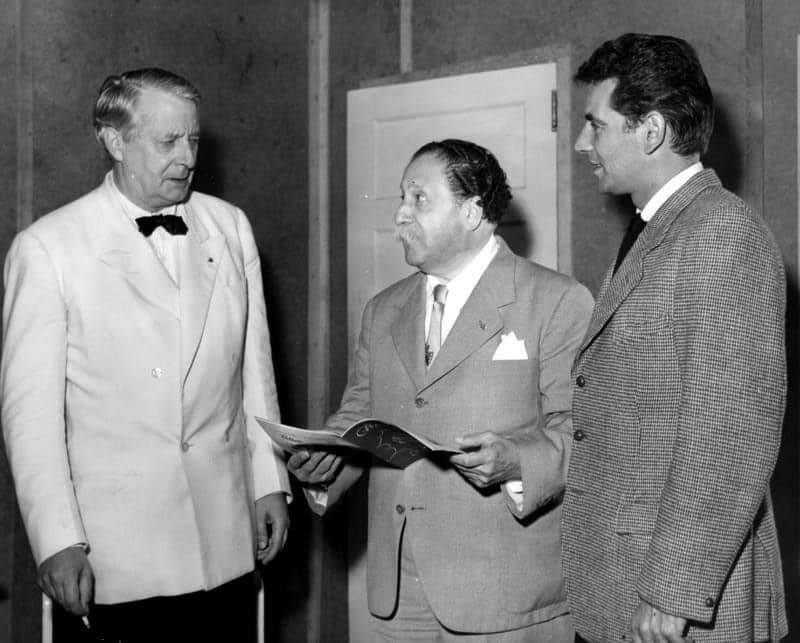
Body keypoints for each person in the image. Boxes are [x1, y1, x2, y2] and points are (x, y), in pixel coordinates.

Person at [1, 68, 290, 642]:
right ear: (114, 141)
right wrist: (56, 539)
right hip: (116, 554)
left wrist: (268, 481)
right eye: (168, 141)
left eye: (194, 140)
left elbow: (254, 375)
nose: (187, 158)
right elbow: (30, 419)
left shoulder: (229, 226)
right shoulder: (48, 248)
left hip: (224, 541)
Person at [288, 139, 594, 641]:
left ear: (472, 212)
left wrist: (517, 461)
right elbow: (358, 417)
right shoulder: (382, 310)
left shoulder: (556, 300)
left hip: (504, 594)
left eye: (419, 199)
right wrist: (324, 463)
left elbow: (586, 431)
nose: (400, 215)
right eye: (400, 199)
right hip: (398, 592)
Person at [563, 33, 788, 643]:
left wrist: (674, 591)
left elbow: (729, 430)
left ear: (652, 130)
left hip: (675, 599)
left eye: (595, 124)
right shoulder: (657, 228)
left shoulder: (720, 234)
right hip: (624, 577)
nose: (583, 142)